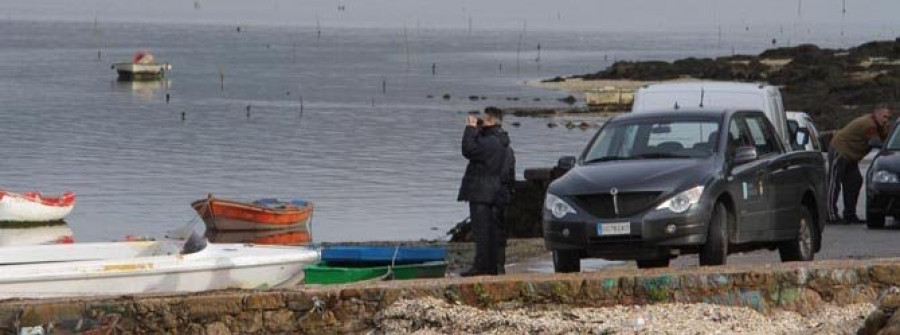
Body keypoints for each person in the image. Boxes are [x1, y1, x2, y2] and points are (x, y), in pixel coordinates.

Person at [458, 106, 514, 276]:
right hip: (496, 193)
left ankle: (482, 267)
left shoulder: (490, 142)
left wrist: (470, 128)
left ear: (490, 121)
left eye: (483, 119)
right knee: (495, 233)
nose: (480, 122)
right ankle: (495, 267)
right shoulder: (503, 142)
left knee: (482, 232)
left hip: (482, 193)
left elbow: (468, 149)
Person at [828, 105, 892, 224]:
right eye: (884, 117)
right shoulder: (869, 124)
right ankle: (830, 213)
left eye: (888, 117)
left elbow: (886, 139)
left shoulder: (880, 126)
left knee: (855, 181)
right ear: (876, 114)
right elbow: (876, 143)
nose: (886, 120)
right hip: (840, 149)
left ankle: (850, 214)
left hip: (852, 156)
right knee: (834, 182)